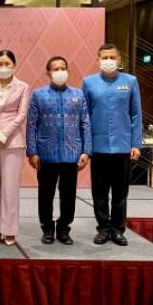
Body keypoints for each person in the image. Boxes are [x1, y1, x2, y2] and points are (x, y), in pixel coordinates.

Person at [26, 56, 91, 245]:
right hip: (46, 153)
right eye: (55, 69)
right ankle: (47, 228)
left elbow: (85, 124)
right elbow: (31, 125)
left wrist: (86, 151)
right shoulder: (39, 95)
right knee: (46, 194)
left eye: (63, 68)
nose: (60, 72)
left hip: (72, 153)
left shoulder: (78, 95)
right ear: (48, 73)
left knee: (68, 194)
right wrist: (32, 152)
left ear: (68, 71)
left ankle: (64, 228)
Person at [83, 43, 142, 246]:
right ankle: (103, 228)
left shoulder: (130, 81)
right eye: (104, 57)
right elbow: (84, 117)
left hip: (123, 146)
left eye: (112, 57)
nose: (108, 61)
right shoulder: (88, 82)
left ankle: (117, 229)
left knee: (120, 192)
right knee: (99, 192)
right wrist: (86, 147)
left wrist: (136, 144)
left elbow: (136, 114)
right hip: (98, 146)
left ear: (119, 60)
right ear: (98, 60)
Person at [0, 49, 30, 246]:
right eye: (0, 64)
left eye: (7, 64)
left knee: (10, 186)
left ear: (14, 65)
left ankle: (10, 230)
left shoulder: (23, 87)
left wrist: (5, 133)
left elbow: (21, 114)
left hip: (13, 141)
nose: (3, 68)